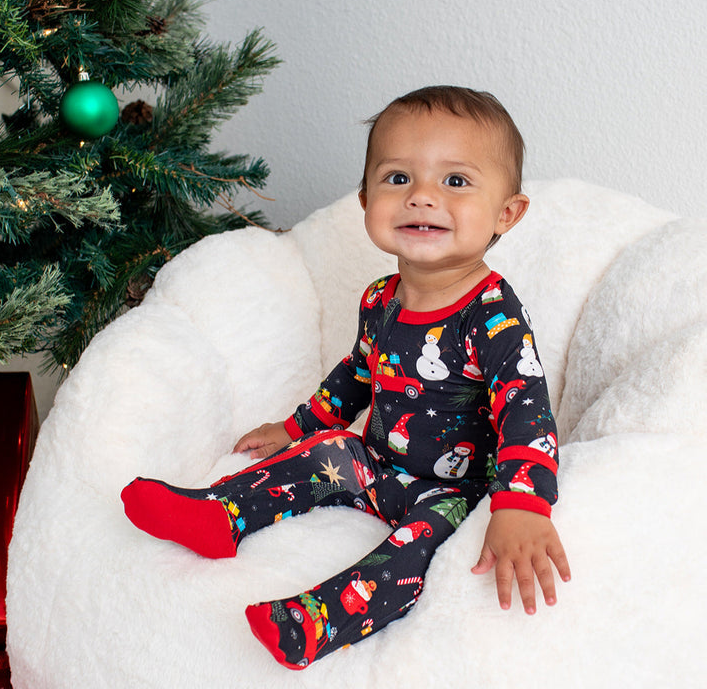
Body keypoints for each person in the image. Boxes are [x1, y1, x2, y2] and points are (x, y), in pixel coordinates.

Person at [121, 85, 571, 670]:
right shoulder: (380, 298)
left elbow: (526, 410)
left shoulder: (493, 314)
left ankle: (320, 619)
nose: (423, 199)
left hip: (456, 494)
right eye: (398, 179)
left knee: (422, 543)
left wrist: (522, 505)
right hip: (377, 464)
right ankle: (219, 513)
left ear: (506, 214)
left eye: (455, 182)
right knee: (330, 448)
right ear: (365, 200)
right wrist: (296, 426)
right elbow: (358, 373)